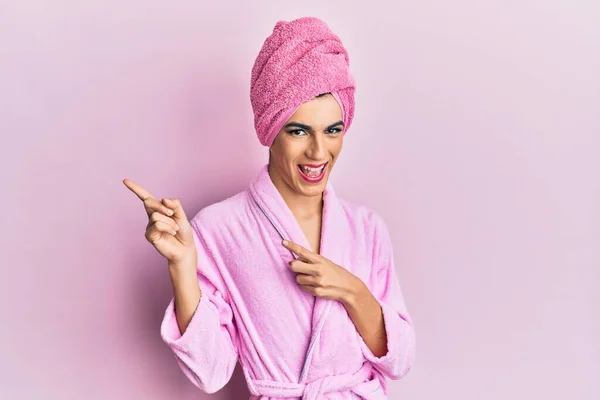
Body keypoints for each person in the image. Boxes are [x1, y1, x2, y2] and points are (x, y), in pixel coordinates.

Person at [123, 16, 415, 400]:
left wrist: (352, 291)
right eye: (298, 131)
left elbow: (400, 361)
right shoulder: (219, 228)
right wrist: (182, 267)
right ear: (270, 130)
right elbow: (211, 372)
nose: (318, 151)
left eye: (332, 130)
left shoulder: (366, 228)